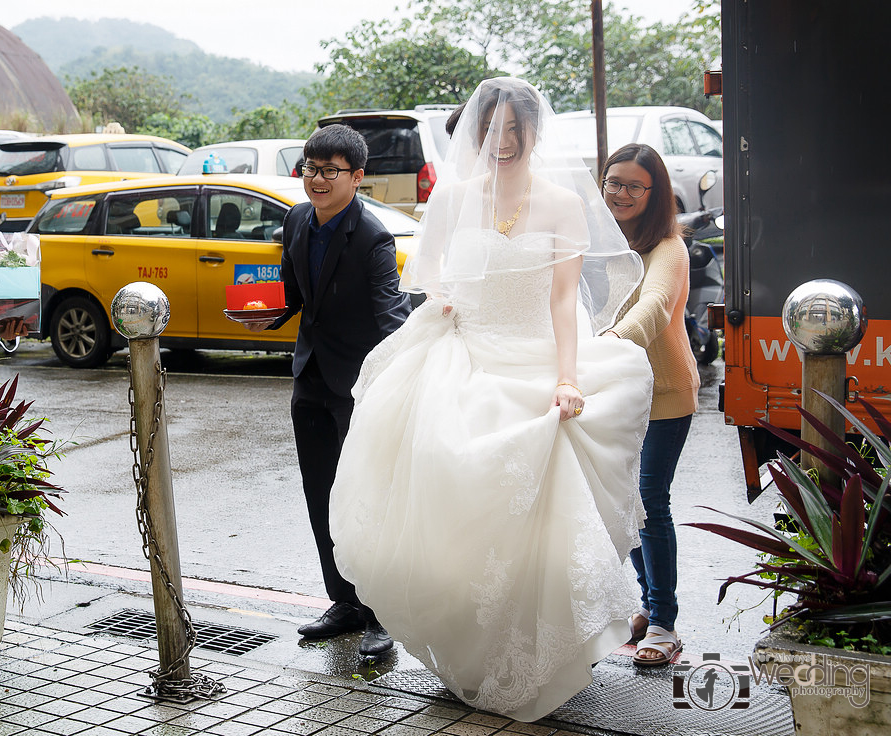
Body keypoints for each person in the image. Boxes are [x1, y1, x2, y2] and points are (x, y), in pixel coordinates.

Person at [328, 78, 654, 721]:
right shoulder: (452, 198)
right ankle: (470, 654)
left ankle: (534, 657)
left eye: (515, 131)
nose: (501, 143)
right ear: (474, 135)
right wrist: (444, 296)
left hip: (534, 362)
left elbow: (565, 300)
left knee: (539, 530)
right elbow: (427, 270)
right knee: (456, 518)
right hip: (464, 359)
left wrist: (567, 377)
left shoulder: (562, 203)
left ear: (535, 132)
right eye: (491, 131)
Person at [247, 124, 412, 660]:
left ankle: (379, 616)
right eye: (310, 169)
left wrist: (400, 369)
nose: (316, 180)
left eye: (330, 171)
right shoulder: (296, 219)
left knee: (364, 498)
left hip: (359, 384)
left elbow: (390, 311)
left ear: (357, 178)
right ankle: (341, 602)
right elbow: (295, 296)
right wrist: (267, 318)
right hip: (310, 375)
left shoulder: (372, 237)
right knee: (319, 492)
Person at [601, 143, 699, 667]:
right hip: (608, 388)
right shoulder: (596, 240)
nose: (620, 193)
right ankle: (648, 603)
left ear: (654, 193)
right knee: (622, 501)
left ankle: (663, 623)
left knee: (647, 500)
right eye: (613, 182)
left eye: (634, 186)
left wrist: (611, 341)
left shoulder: (669, 248)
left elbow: (655, 305)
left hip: (664, 393)